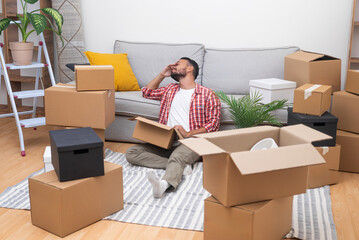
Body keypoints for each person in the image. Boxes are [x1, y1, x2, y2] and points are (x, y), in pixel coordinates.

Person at [126, 57, 221, 198]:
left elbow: (213, 124)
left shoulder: (207, 94)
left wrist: (188, 134)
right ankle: (180, 167)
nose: (173, 66)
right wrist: (162, 75)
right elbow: (147, 92)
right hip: (166, 141)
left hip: (191, 142)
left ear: (190, 69)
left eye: (178, 64)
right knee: (132, 153)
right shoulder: (170, 89)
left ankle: (163, 185)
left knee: (177, 157)